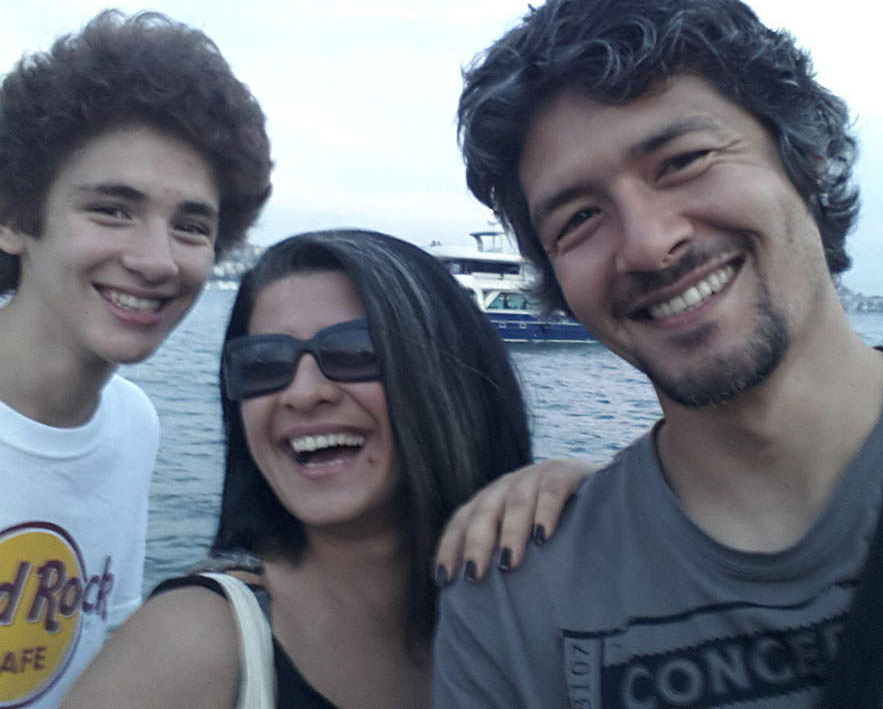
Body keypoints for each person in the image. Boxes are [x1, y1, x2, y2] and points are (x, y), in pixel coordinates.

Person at [432, 0, 883, 708]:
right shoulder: (515, 610)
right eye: (579, 219)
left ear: (806, 159)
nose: (648, 243)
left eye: (684, 160)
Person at [60, 228, 547, 708]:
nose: (303, 393)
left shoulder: (543, 602)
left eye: (356, 351)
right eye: (262, 363)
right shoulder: (190, 645)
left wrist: (581, 499)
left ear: (448, 371)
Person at [0, 9, 272, 708]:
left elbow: (103, 632)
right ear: (13, 217)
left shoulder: (132, 424)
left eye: (191, 226)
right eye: (112, 210)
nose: (157, 260)